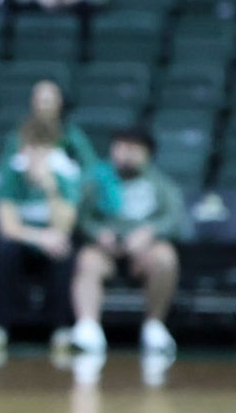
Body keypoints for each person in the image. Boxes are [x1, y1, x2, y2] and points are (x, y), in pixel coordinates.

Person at [70, 128, 184, 355]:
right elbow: (82, 217)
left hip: (144, 251)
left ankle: (154, 326)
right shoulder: (98, 179)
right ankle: (88, 327)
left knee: (166, 257)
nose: (125, 154)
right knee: (87, 260)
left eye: (132, 148)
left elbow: (174, 219)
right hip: (106, 250)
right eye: (120, 147)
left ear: (147, 153)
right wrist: (98, 233)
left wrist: (150, 232)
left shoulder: (160, 184)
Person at [0, 118, 81, 349]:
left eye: (43, 149)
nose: (36, 155)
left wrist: (50, 188)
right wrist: (40, 237)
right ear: (22, 149)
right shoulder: (12, 176)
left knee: (64, 251)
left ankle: (60, 328)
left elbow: (65, 225)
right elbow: (8, 226)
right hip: (24, 243)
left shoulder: (64, 177)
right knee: (3, 250)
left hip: (51, 246)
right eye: (32, 148)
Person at [1, 79, 101, 173]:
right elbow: (5, 175)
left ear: (59, 103)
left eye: (47, 102)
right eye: (38, 101)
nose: (42, 107)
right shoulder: (19, 136)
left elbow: (91, 171)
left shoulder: (72, 136)